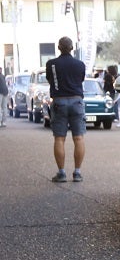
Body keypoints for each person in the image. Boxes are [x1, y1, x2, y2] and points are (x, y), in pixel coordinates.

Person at [46, 36, 87, 183]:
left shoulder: (51, 64)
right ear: (72, 48)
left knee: (59, 138)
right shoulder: (80, 64)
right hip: (77, 101)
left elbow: (50, 79)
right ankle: (77, 173)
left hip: (59, 102)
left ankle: (61, 173)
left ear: (58, 47)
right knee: (79, 137)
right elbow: (81, 80)